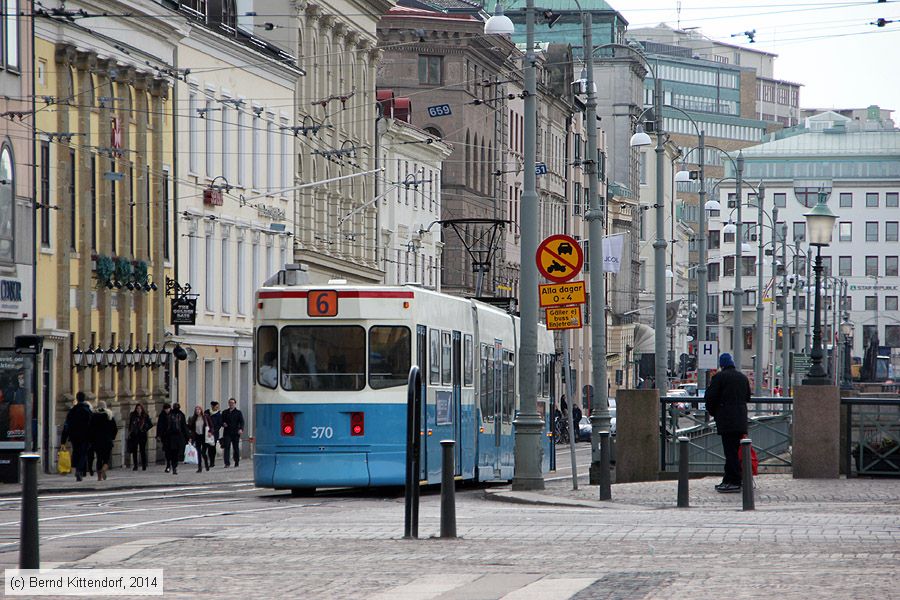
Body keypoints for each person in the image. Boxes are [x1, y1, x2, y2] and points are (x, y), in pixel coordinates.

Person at [704, 352, 750, 493]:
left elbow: (710, 397)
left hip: (726, 420)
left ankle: (734, 481)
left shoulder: (719, 377)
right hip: (741, 419)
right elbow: (747, 397)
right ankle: (728, 479)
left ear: (722, 364)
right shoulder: (742, 378)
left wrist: (714, 412)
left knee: (729, 452)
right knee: (734, 450)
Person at [60, 392, 93, 481]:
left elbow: (66, 425)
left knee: (76, 451)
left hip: (74, 436)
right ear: (84, 399)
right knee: (83, 453)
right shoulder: (88, 411)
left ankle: (78, 468)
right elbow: (92, 425)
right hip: (85, 436)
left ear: (77, 399)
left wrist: (63, 440)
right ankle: (79, 469)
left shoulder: (72, 410)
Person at [88, 401, 117, 481]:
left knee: (99, 458)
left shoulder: (93, 416)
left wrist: (91, 440)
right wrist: (112, 437)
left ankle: (99, 477)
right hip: (107, 441)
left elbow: (90, 429)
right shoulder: (110, 416)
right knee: (106, 459)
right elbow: (115, 429)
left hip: (97, 442)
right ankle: (104, 468)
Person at [164, 403, 189, 475]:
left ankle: (174, 466)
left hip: (176, 436)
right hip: (172, 436)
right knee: (172, 452)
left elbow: (184, 426)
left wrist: (187, 436)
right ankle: (173, 466)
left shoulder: (179, 415)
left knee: (175, 452)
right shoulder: (171, 415)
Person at [127, 403, 153, 471]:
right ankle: (135, 465)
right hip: (134, 435)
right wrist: (129, 432)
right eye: (137, 408)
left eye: (140, 408)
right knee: (134, 451)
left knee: (142, 450)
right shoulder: (133, 415)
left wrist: (145, 429)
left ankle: (144, 465)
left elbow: (150, 424)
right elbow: (130, 424)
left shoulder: (145, 416)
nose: (138, 410)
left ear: (142, 409)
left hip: (142, 435)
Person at [187, 406, 212, 473]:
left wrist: (210, 432)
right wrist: (190, 437)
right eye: (196, 410)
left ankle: (206, 463)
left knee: (203, 452)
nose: (197, 411)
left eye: (199, 409)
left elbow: (211, 426)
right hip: (197, 436)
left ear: (201, 410)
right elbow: (191, 429)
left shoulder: (205, 417)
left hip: (204, 436)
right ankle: (199, 467)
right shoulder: (194, 418)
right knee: (198, 452)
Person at [221, 397, 244, 468]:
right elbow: (221, 421)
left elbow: (242, 422)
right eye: (230, 403)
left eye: (232, 403)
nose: (231, 404)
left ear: (235, 404)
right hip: (227, 432)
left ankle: (236, 461)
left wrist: (241, 429)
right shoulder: (225, 412)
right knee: (226, 447)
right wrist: (223, 424)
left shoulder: (238, 412)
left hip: (235, 432)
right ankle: (227, 463)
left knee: (235, 447)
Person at [206, 401, 222, 467]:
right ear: (212, 406)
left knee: (212, 447)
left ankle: (212, 461)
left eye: (218, 406)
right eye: (216, 406)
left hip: (214, 433)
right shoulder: (207, 412)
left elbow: (219, 424)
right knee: (208, 447)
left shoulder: (218, 414)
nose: (217, 407)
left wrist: (213, 431)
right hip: (206, 433)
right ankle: (208, 459)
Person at [156, 403, 172, 472]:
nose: (167, 410)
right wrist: (158, 435)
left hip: (172, 435)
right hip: (165, 436)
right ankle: (168, 464)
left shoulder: (173, 414)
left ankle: (171, 463)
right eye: (166, 409)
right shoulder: (162, 415)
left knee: (172, 450)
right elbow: (159, 426)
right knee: (167, 450)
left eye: (168, 409)